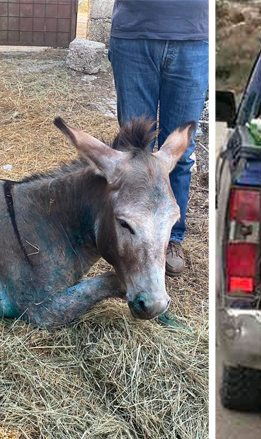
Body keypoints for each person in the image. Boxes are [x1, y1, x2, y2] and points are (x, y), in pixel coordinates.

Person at [107, 0, 209, 276]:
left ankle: (172, 239)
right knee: (134, 153)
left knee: (181, 155)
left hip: (194, 37)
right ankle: (130, 235)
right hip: (134, 36)